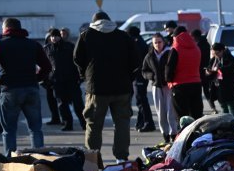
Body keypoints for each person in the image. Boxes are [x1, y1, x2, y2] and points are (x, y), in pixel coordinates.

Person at [74, 11, 140, 161]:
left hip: (96, 89)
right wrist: (128, 77)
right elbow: (136, 60)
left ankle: (93, 158)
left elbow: (77, 58)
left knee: (93, 125)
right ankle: (121, 158)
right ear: (109, 20)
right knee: (122, 123)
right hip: (122, 88)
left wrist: (86, 77)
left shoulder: (86, 35)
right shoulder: (123, 36)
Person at [0, 18, 51, 153]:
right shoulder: (33, 44)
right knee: (35, 128)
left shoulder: (0, 45)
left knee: (9, 130)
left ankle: (10, 161)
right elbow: (47, 66)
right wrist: (36, 79)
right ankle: (38, 160)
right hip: (31, 89)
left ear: (6, 28)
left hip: (10, 90)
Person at [43, 28, 85, 132]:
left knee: (78, 104)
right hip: (57, 81)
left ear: (59, 36)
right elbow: (44, 65)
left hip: (71, 79)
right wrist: (45, 79)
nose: (54, 38)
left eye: (56, 36)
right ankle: (67, 124)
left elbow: (78, 61)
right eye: (52, 36)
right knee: (62, 104)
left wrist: (80, 77)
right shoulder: (47, 48)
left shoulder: (69, 46)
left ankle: (84, 123)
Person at [141, 32, 178, 143]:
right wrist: (152, 76)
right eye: (155, 43)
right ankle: (165, 135)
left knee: (170, 111)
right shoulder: (149, 55)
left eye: (159, 42)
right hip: (156, 86)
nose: (158, 44)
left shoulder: (170, 52)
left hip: (169, 85)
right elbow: (144, 71)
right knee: (160, 112)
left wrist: (170, 77)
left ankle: (173, 133)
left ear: (164, 42)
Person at [165, 26, 204, 121]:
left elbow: (169, 68)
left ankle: (185, 135)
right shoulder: (196, 47)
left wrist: (169, 81)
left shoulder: (175, 49)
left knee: (182, 118)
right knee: (196, 115)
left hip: (179, 86)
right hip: (196, 84)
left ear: (176, 36)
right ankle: (198, 135)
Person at [127, 26, 155, 131]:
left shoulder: (137, 44)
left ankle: (148, 122)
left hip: (139, 76)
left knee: (141, 100)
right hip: (140, 75)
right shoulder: (141, 42)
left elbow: (135, 61)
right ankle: (141, 121)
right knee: (141, 99)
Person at [209, 42, 234, 118]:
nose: (216, 55)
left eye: (217, 53)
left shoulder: (230, 58)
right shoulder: (214, 59)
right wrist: (208, 71)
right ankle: (226, 124)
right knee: (223, 106)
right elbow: (209, 67)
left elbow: (231, 68)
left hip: (229, 86)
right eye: (214, 53)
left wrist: (219, 69)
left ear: (222, 50)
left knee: (231, 106)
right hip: (218, 86)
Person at [192, 29, 217, 114]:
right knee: (206, 91)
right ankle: (213, 108)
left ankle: (200, 110)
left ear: (195, 37)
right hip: (206, 70)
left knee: (198, 92)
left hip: (199, 71)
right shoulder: (206, 43)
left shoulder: (198, 45)